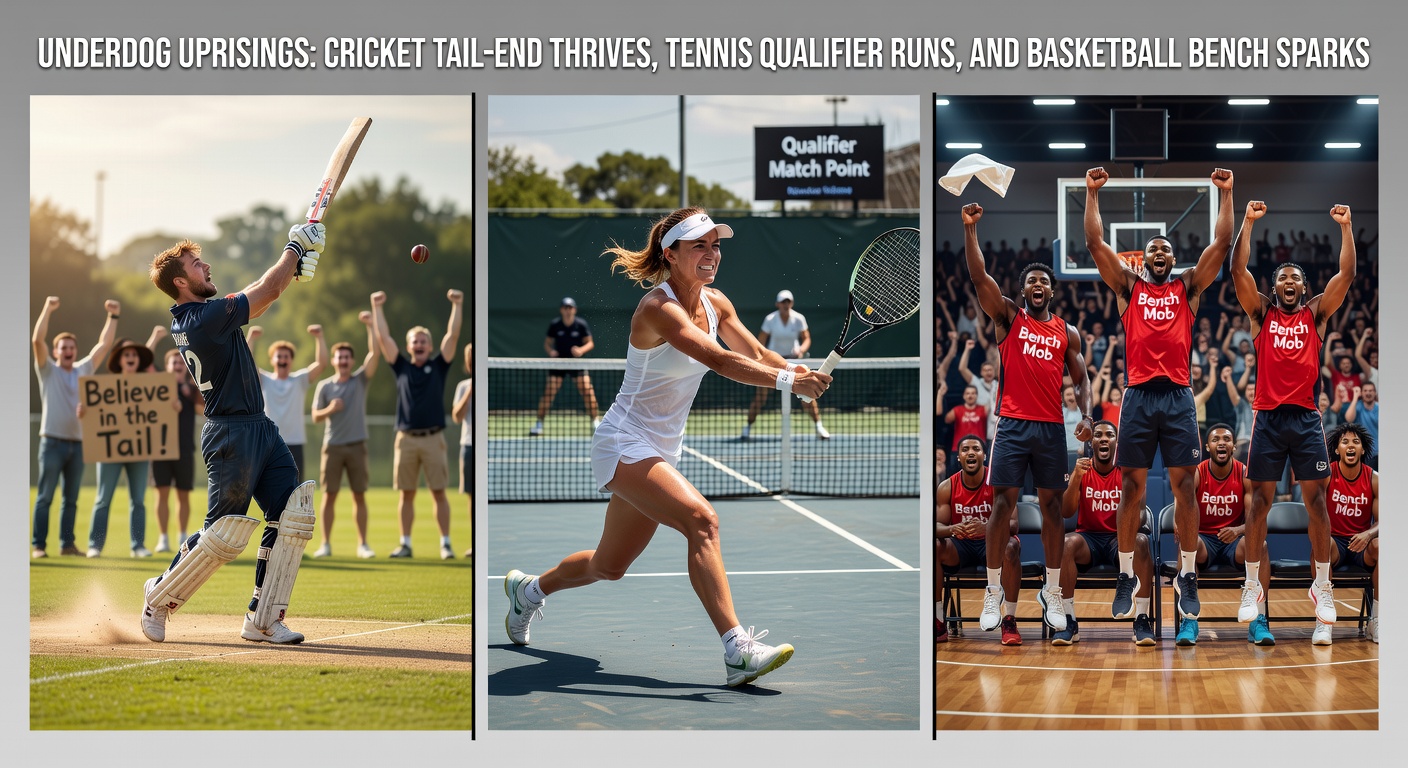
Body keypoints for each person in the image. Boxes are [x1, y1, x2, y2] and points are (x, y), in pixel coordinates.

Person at [501, 208, 829, 687]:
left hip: (661, 451)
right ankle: (737, 648)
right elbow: (719, 358)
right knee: (703, 520)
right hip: (623, 441)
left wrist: (800, 373)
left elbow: (757, 354)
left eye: (716, 245)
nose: (712, 254)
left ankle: (528, 590)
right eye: (699, 245)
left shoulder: (718, 303)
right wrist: (787, 381)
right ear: (670, 254)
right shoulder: (658, 307)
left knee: (607, 566)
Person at [142, 225, 324, 644]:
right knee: (222, 532)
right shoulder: (203, 318)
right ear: (181, 283)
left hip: (259, 426)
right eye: (196, 265)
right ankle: (158, 596)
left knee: (291, 516)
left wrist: (291, 268)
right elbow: (265, 291)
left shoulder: (203, 316)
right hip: (230, 433)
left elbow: (261, 297)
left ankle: (263, 619)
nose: (206, 266)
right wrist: (294, 249)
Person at [1084, 166, 1235, 624]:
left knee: (1184, 487)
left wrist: (1227, 194)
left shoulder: (1187, 288)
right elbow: (1095, 244)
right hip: (1137, 397)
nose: (1160, 254)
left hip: (1177, 397)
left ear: (1173, 258)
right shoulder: (1128, 288)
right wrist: (1092, 195)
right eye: (1154, 249)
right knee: (1131, 488)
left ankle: (1188, 574)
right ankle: (1126, 574)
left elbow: (1221, 245)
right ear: (1143, 258)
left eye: (1167, 250)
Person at [961, 203, 1092, 633]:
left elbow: (1082, 376)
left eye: (1044, 281)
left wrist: (1088, 414)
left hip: (1051, 428)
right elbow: (980, 278)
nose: (1038, 285)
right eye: (1031, 281)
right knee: (1003, 506)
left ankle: (1053, 591)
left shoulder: (1066, 332)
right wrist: (971, 230)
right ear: (1023, 291)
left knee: (1054, 510)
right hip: (1013, 425)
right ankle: (993, 590)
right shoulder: (1008, 319)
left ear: (1052, 291)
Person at [1230, 200, 1356, 636]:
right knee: (1258, 503)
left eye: (1295, 278)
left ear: (1304, 288)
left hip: (1304, 419)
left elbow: (1347, 276)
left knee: (1316, 503)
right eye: (1282, 277)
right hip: (1267, 418)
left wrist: (1346, 228)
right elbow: (1237, 272)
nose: (1288, 281)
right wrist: (1246, 223)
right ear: (1275, 286)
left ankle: (1322, 586)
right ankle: (1251, 586)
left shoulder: (1315, 315)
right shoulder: (1260, 313)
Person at [370, 288, 464, 559]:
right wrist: (377, 308)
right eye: (415, 341)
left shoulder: (439, 366)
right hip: (406, 439)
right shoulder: (400, 366)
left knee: (439, 494)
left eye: (424, 340)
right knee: (406, 495)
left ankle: (446, 544)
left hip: (434, 438)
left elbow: (453, 335)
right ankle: (406, 543)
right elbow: (383, 337)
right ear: (409, 346)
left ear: (430, 346)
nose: (420, 344)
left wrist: (457, 305)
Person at [31, 296, 118, 558]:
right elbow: (37, 341)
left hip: (78, 444)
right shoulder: (47, 371)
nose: (68, 350)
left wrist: (112, 316)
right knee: (45, 496)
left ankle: (67, 545)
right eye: (62, 347)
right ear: (55, 352)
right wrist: (47, 308)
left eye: (71, 346)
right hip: (52, 442)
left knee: (71, 500)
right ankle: (39, 546)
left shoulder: (84, 369)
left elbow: (104, 345)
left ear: (75, 351)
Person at [1056, 421, 1156, 645]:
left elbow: (1140, 517)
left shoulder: (1128, 473)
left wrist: (1125, 511)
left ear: (1116, 443)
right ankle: (1068, 620)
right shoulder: (1082, 469)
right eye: (1098, 435)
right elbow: (1066, 511)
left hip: (1118, 540)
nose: (1103, 438)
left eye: (1109, 435)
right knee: (1065, 544)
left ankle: (1141, 619)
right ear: (1091, 442)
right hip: (1089, 539)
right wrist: (1076, 478)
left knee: (1140, 542)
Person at [1175, 424, 1271, 646]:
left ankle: (1258, 618)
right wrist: (1177, 523)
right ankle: (1189, 620)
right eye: (1215, 439)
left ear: (1233, 447)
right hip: (1204, 541)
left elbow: (1255, 521)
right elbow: (1182, 503)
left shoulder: (1244, 473)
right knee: (1188, 545)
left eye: (1226, 439)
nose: (1221, 442)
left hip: (1233, 542)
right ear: (1208, 447)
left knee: (1261, 545)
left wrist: (1237, 530)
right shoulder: (1198, 472)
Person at [936, 436, 1022, 645]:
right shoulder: (947, 487)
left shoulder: (998, 485)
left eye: (976, 448)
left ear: (985, 456)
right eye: (965, 449)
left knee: (1011, 546)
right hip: (961, 546)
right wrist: (952, 528)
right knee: (934, 547)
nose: (971, 452)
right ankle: (938, 620)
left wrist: (989, 527)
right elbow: (936, 527)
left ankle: (1009, 620)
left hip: (991, 545)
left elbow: (1013, 525)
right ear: (959, 458)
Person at [310, 311, 380, 558]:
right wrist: (331, 408)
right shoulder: (325, 386)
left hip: (357, 445)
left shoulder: (360, 380)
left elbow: (375, 355)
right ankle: (325, 544)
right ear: (333, 360)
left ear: (352, 361)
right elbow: (316, 416)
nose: (343, 361)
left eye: (347, 358)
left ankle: (363, 544)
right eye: (339, 358)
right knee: (329, 496)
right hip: (333, 446)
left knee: (359, 495)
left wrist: (371, 326)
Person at [83, 338, 162, 558]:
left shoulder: (149, 387)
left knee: (138, 500)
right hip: (110, 452)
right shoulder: (104, 387)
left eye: (134, 355)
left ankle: (138, 546)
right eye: (126, 354)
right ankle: (94, 546)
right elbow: (95, 416)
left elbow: (158, 415)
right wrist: (84, 413)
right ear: (119, 359)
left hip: (140, 451)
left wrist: (171, 407)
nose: (130, 358)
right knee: (103, 499)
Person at [742, 289, 829, 440]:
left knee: (807, 395)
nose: (785, 304)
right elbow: (760, 342)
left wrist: (801, 349)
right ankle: (747, 428)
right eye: (783, 302)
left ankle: (819, 427)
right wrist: (762, 359)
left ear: (792, 303)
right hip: (774, 362)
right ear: (777, 304)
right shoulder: (770, 319)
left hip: (794, 362)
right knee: (760, 397)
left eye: (788, 302)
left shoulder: (799, 318)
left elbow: (806, 338)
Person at [246, 324, 329, 481]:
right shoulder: (265, 380)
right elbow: (247, 363)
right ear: (272, 360)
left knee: (296, 488)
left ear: (291, 360)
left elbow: (322, 363)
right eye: (279, 356)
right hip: (271, 443)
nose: (283, 360)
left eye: (286, 357)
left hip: (295, 443)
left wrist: (319, 337)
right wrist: (251, 338)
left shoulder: (299, 380)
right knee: (270, 487)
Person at [1322, 422, 1378, 645]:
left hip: (1360, 546)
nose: (1351, 446)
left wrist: (1368, 534)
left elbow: (1386, 521)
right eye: (1345, 442)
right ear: (1337, 450)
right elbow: (1315, 515)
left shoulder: (1374, 478)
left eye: (1356, 442)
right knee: (1322, 544)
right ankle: (1323, 621)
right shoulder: (1326, 475)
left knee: (1381, 546)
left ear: (1363, 449)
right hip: (1334, 544)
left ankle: (1377, 619)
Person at [152, 348, 205, 554]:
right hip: (160, 449)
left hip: (184, 449)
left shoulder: (192, 390)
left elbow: (204, 410)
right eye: (173, 363)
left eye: (181, 363)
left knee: (183, 495)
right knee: (161, 494)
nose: (177, 366)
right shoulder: (156, 388)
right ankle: (163, 539)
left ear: (186, 367)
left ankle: (182, 537)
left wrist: (190, 396)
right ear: (167, 366)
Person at [530, 297, 599, 436]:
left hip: (576, 363)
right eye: (565, 308)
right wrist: (551, 352)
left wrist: (581, 350)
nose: (568, 310)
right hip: (558, 363)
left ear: (574, 310)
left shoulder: (581, 324)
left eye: (570, 308)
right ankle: (539, 424)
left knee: (587, 391)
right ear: (561, 310)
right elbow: (547, 343)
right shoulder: (555, 325)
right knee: (549, 393)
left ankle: (596, 423)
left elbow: (590, 343)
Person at [451, 342, 474, 558]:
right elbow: (457, 417)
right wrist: (470, 392)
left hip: (484, 450)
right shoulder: (462, 386)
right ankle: (474, 542)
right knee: (471, 497)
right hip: (467, 445)